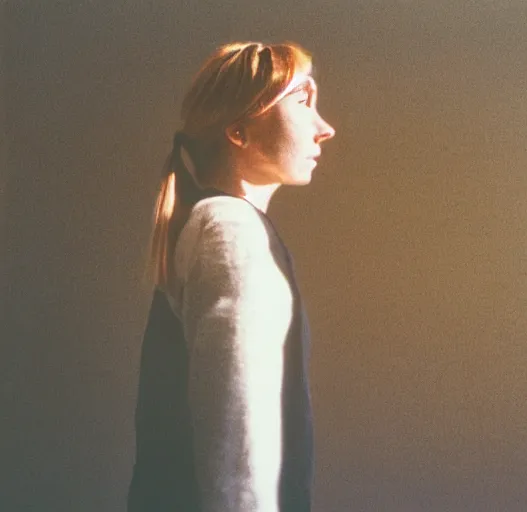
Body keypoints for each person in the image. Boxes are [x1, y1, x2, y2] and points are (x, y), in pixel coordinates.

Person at [127, 41, 335, 512]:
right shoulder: (230, 230)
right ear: (239, 130)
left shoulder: (222, 226)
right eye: (303, 101)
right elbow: (238, 450)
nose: (325, 129)